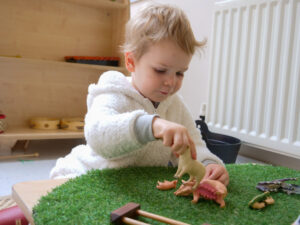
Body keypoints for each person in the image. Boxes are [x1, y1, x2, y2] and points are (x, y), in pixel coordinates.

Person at [50, 3, 229, 186]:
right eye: (160, 70)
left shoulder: (175, 105)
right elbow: (97, 133)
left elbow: (195, 145)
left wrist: (208, 164)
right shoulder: (113, 88)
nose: (171, 82)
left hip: (132, 187)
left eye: (179, 73)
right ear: (131, 62)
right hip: (87, 174)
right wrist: (150, 126)